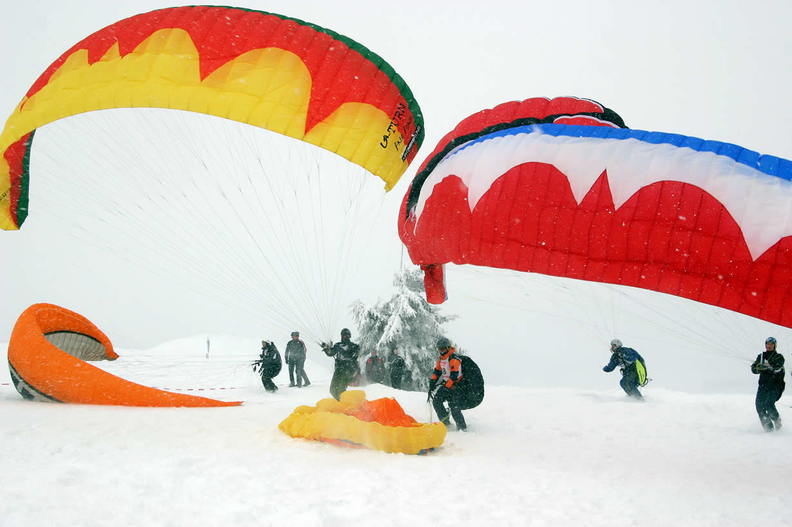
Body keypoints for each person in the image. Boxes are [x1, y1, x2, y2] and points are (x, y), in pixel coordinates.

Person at [428, 337, 467, 431]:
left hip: (457, 386)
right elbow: (437, 372)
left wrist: (447, 387)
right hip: (447, 384)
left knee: (454, 406)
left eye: (443, 349)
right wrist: (432, 383)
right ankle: (445, 423)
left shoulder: (454, 359)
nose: (441, 351)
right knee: (436, 401)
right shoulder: (441, 359)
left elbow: (454, 376)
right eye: (439, 349)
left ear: (448, 348)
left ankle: (462, 428)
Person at [750, 337, 785, 432]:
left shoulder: (779, 357)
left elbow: (777, 366)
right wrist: (757, 368)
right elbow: (754, 368)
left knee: (768, 405)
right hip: (763, 386)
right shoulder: (761, 356)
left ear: (775, 345)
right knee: (759, 406)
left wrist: (765, 367)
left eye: (771, 344)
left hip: (775, 386)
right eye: (767, 344)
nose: (769, 346)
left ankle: (777, 422)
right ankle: (768, 428)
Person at [321, 328, 360, 400]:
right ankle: (343, 403)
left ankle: (347, 403)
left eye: (347, 335)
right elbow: (331, 353)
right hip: (338, 371)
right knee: (333, 390)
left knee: (340, 390)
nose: (346, 337)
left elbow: (353, 356)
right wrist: (326, 348)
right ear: (341, 336)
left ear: (350, 336)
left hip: (348, 370)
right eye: (344, 335)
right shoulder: (337, 345)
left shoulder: (354, 346)